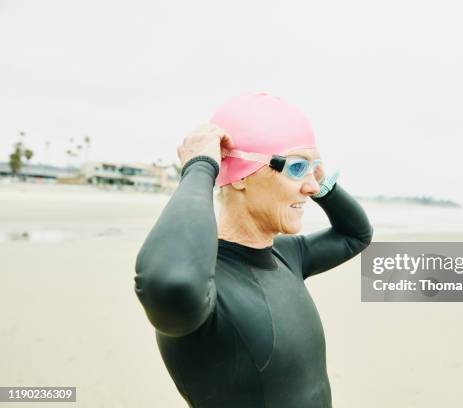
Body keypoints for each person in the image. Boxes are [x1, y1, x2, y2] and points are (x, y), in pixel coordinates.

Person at [134, 93, 373, 407]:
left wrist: (323, 180)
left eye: (314, 169)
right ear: (241, 177)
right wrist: (201, 167)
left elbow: (355, 235)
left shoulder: (287, 255)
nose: (313, 186)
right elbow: (168, 283)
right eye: (298, 167)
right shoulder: (206, 293)